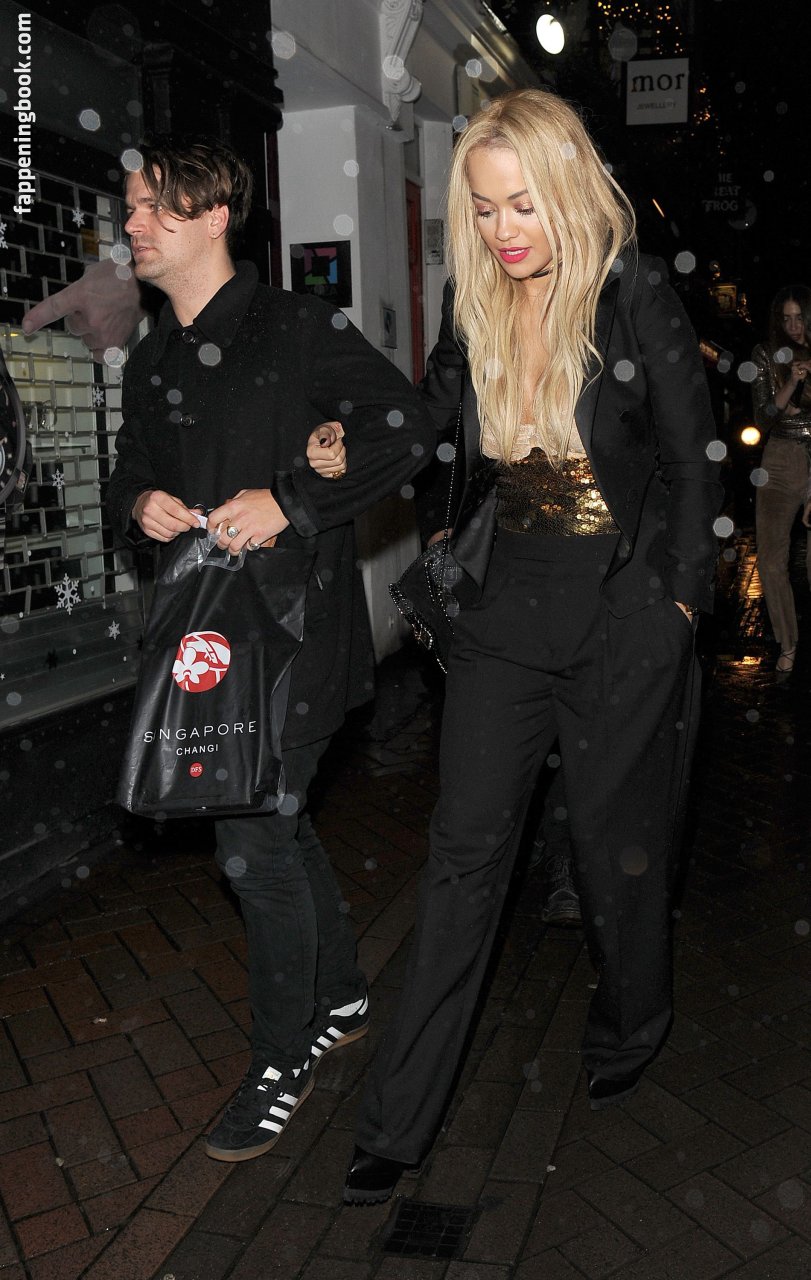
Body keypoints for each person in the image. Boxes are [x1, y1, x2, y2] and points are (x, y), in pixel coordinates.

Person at [343, 88, 722, 1205]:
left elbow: (694, 462)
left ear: (565, 191)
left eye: (523, 204)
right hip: (504, 618)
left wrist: (677, 610)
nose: (504, 229)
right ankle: (398, 1120)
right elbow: (430, 419)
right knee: (462, 858)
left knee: (614, 852)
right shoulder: (474, 300)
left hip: (620, 618)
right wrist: (334, 450)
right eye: (483, 207)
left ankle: (630, 1024)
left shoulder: (632, 293)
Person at [100, 136, 434, 1163]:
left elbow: (407, 425)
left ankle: (280, 1061)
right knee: (272, 828)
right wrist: (139, 504)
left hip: (294, 638)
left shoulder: (294, 327)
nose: (132, 224)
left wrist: (291, 499)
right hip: (206, 645)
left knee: (250, 846)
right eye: (129, 207)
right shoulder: (152, 358)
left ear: (213, 215)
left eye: (152, 205)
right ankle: (340, 996)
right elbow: (127, 471)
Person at [750, 285, 811, 674]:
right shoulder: (765, 355)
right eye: (786, 318)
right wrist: (789, 383)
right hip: (779, 458)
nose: (793, 326)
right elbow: (763, 418)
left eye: (799, 317)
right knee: (772, 560)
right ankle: (787, 643)